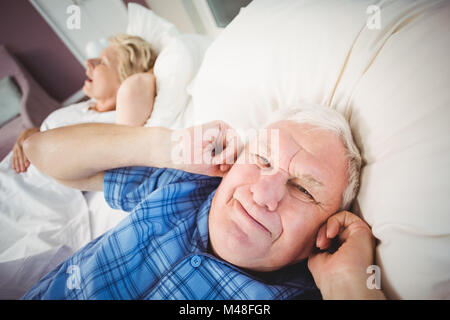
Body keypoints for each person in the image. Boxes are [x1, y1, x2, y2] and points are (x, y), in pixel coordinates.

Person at [21, 105, 386, 299]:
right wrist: (167, 146)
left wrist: (348, 286)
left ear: (326, 229)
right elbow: (40, 152)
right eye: (262, 159)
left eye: (305, 190)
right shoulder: (186, 185)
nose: (263, 194)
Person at [11, 34, 157, 174]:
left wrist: (36, 142)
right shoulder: (89, 106)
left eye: (102, 62)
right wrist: (34, 131)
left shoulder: (113, 124)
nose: (88, 63)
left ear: (124, 80)